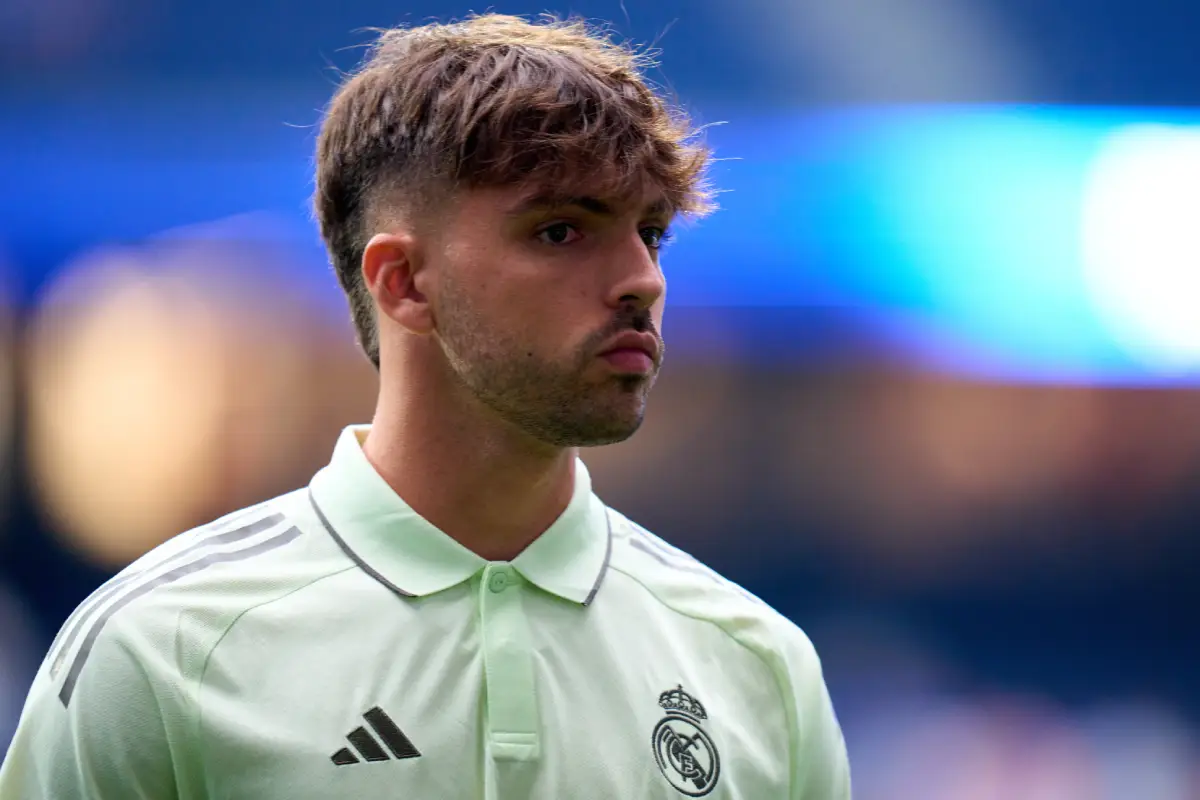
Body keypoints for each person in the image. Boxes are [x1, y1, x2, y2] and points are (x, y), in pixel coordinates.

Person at [0, 13, 851, 799]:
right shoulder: (160, 648)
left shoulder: (756, 663)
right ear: (404, 284)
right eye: (562, 230)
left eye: (651, 232)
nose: (643, 280)